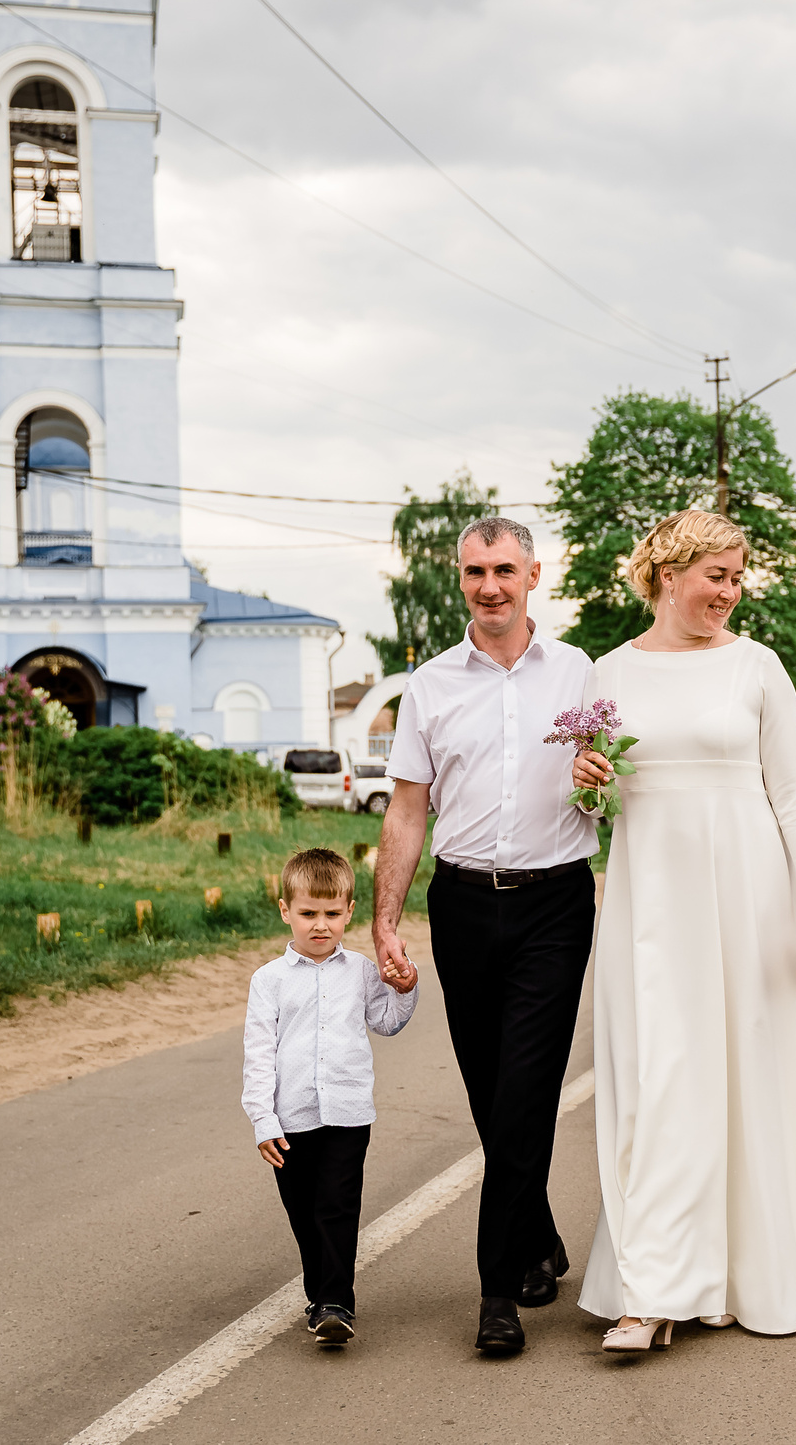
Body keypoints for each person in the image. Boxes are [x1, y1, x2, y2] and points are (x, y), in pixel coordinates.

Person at [566, 508, 796, 1349]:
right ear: (669, 573)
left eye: (739, 579)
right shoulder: (608, 670)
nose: (731, 594)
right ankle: (653, 1291)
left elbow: (795, 793)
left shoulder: (759, 667)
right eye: (718, 576)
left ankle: (752, 1273)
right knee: (662, 1078)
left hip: (749, 895)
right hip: (653, 901)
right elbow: (599, 803)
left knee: (748, 1071)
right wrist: (587, 781)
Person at [369, 516, 597, 1355]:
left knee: (525, 1094)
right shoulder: (429, 685)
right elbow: (406, 808)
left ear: (536, 572)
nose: (490, 584)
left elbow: (612, 791)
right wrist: (385, 918)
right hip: (462, 908)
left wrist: (599, 782)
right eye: (475, 571)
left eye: (505, 568)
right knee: (489, 1094)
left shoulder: (580, 672)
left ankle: (496, 1294)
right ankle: (536, 1234)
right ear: (457, 577)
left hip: (554, 906)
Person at [242, 847, 419, 1347]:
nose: (320, 925)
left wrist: (404, 988)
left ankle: (337, 1302)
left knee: (337, 1206)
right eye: (308, 914)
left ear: (349, 912)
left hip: (347, 1113)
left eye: (332, 914)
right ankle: (320, 1295)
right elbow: (258, 1057)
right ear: (285, 911)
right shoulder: (268, 982)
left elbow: (386, 1022)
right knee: (304, 1213)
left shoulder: (361, 971)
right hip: (289, 1120)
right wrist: (263, 1120)